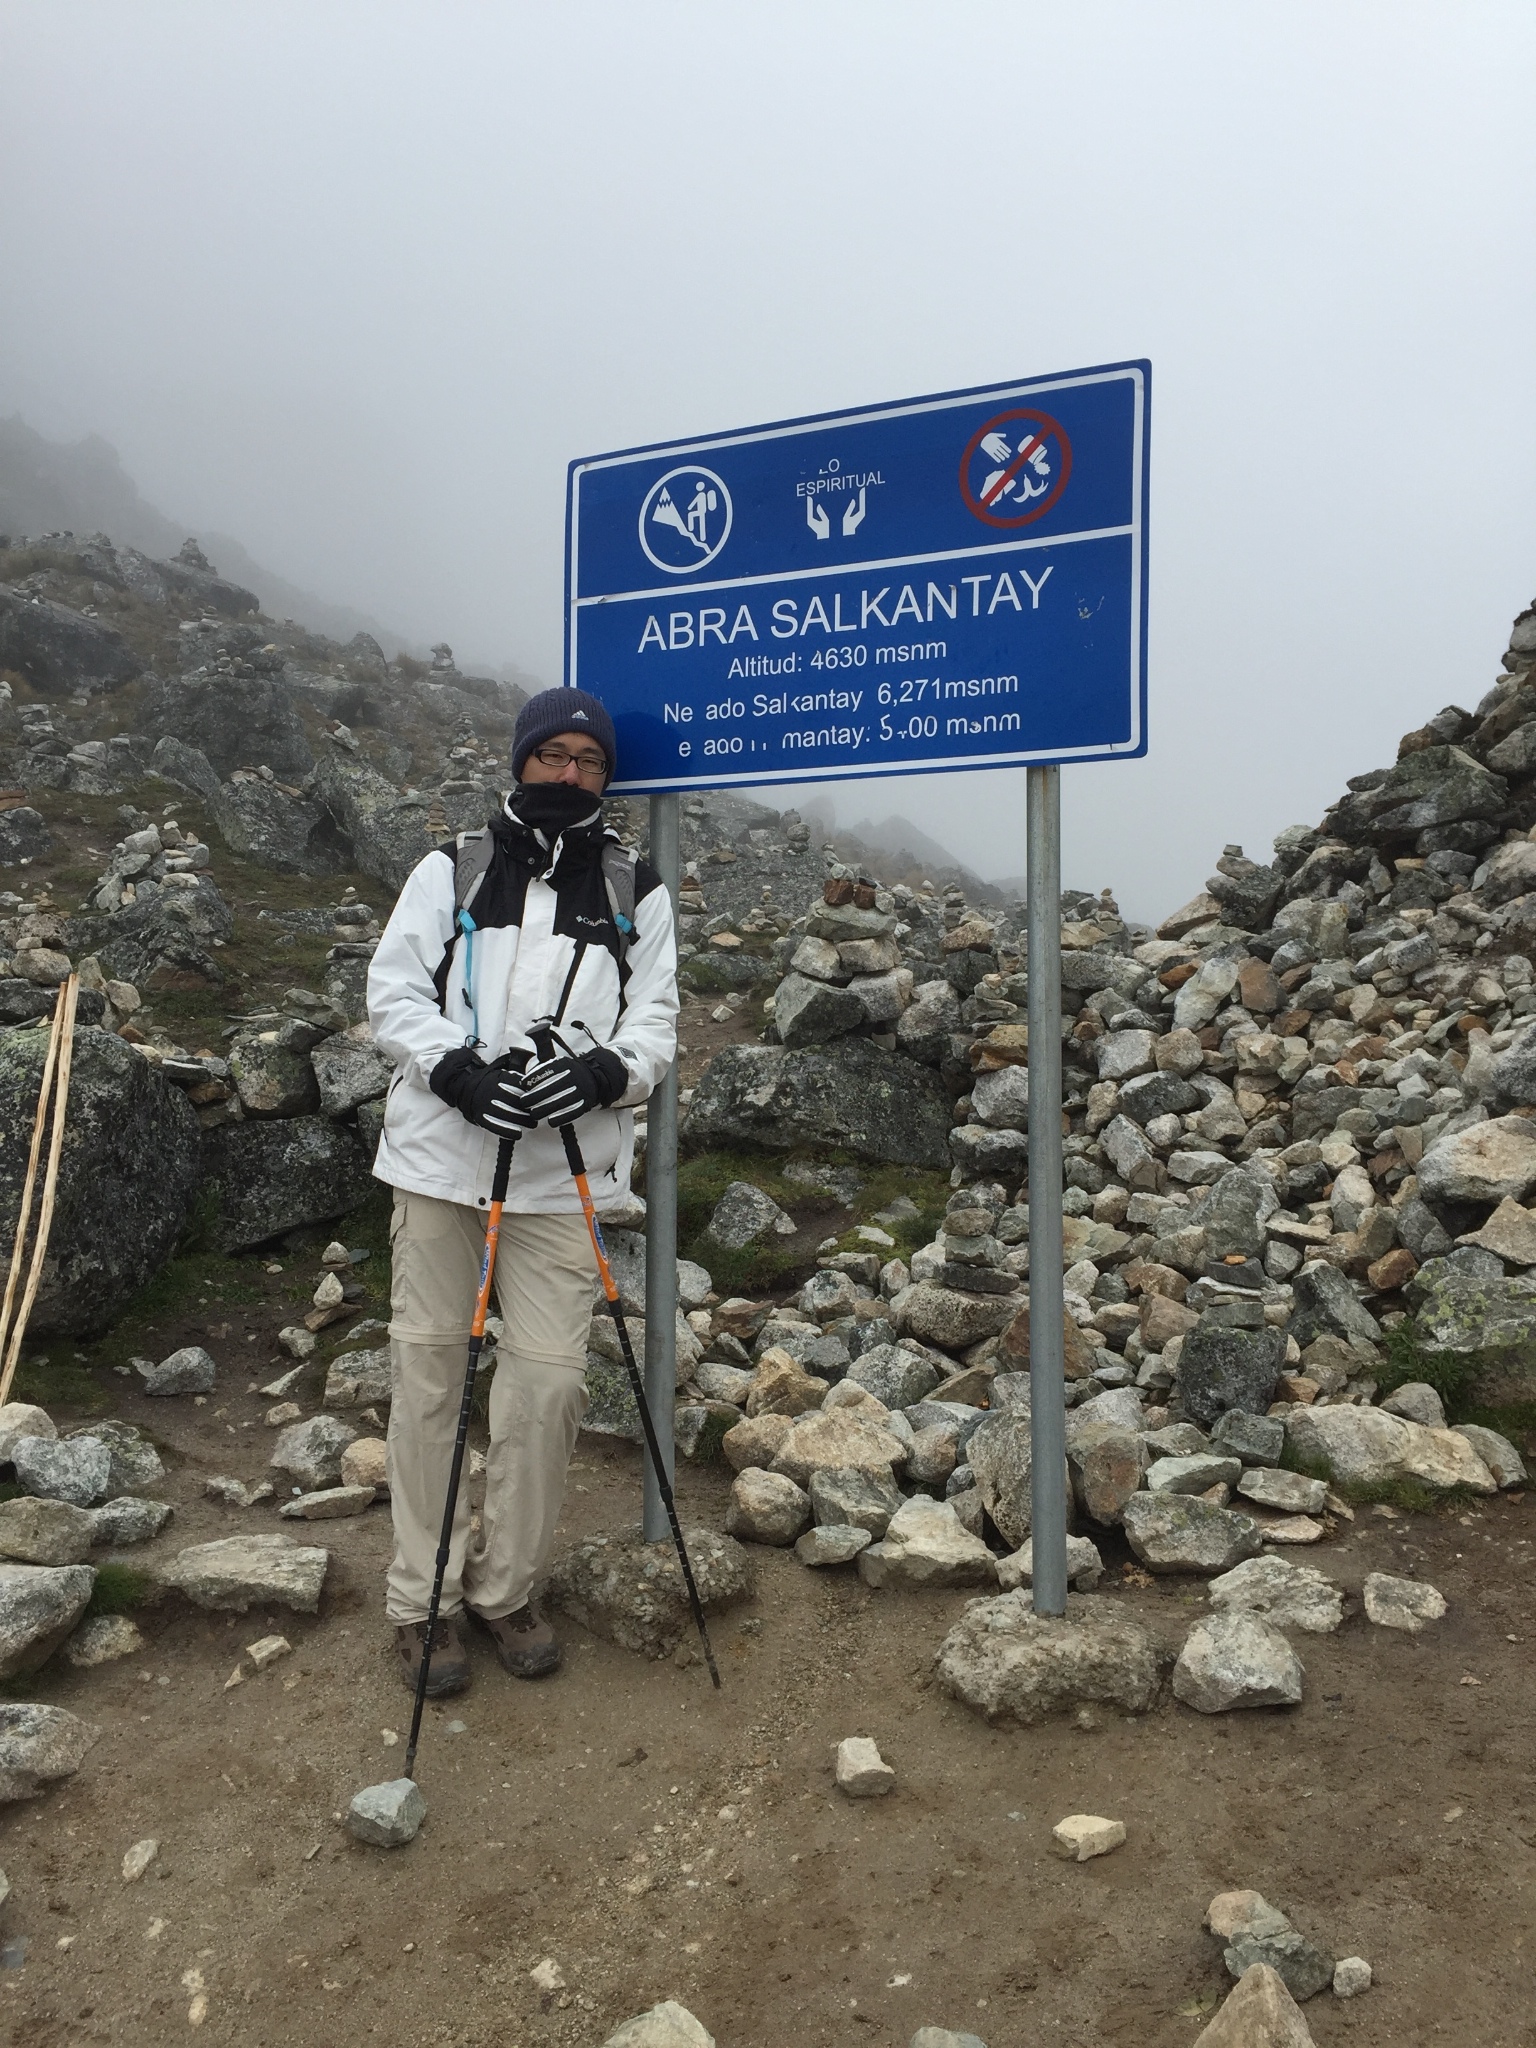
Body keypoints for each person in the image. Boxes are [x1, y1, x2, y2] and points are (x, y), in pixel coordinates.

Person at [367, 687, 677, 1692]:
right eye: (555, 754)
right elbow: (394, 990)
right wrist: (458, 1069)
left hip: (562, 1176)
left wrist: (595, 1075)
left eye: (592, 760)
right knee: (429, 1383)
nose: (573, 773)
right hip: (439, 1165)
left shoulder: (636, 884)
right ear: (521, 759)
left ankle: (505, 1589)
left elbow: (658, 1025)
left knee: (544, 1387)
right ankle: (423, 1600)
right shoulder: (453, 863)